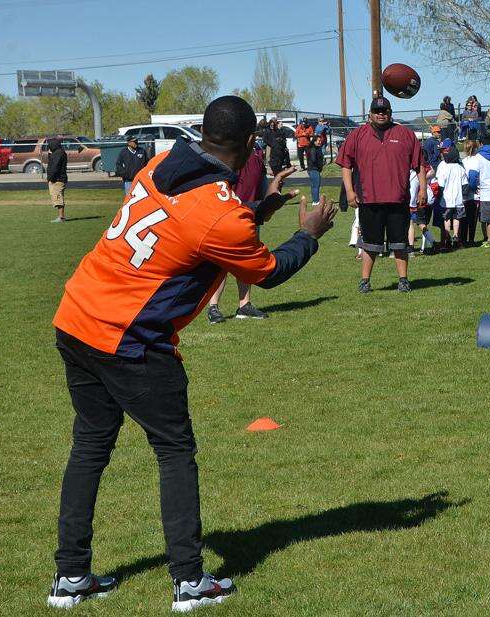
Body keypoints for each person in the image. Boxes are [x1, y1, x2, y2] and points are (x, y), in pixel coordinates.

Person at [47, 95, 337, 612]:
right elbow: (265, 273)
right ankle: (189, 580)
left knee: (90, 448)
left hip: (77, 314)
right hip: (129, 335)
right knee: (174, 450)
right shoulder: (219, 212)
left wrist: (259, 209)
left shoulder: (165, 162)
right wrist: (307, 234)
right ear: (252, 144)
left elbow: (199, 228)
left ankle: (70, 576)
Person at [337, 96, 426, 293]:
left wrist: (423, 188)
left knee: (400, 243)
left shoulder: (405, 134)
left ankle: (403, 280)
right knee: (369, 244)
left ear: (390, 112)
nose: (381, 114)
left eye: (384, 111)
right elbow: (345, 164)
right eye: (377, 111)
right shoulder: (358, 134)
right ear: (370, 114)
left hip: (398, 198)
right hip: (369, 199)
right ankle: (365, 281)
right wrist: (350, 191)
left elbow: (419, 163)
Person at [206, 143, 274, 324]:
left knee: (246, 263)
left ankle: (244, 304)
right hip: (225, 218)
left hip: (249, 217)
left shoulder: (256, 160)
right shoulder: (225, 157)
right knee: (220, 265)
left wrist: (263, 211)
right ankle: (213, 306)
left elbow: (261, 189)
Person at [435, 144, 468, 248]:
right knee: (457, 217)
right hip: (458, 198)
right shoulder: (460, 168)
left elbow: (440, 185)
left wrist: (439, 196)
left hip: (446, 199)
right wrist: (463, 195)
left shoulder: (444, 168)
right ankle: (456, 235)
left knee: (446, 218)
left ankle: (447, 237)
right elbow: (465, 185)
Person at [460, 139, 480, 246]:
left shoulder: (464, 161)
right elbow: (472, 176)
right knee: (472, 220)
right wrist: (472, 188)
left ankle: (463, 239)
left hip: (464, 193)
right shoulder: (477, 160)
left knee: (464, 219)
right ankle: (471, 240)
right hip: (473, 194)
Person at [47, 137, 68, 223]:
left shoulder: (58, 154)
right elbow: (52, 162)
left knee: (58, 198)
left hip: (57, 179)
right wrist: (50, 154)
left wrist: (51, 178)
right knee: (57, 197)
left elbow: (55, 167)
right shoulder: (58, 153)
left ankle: (61, 217)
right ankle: (61, 217)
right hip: (58, 178)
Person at [305, 135, 324, 205]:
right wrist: (319, 166)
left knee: (314, 186)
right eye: (318, 141)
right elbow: (313, 159)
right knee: (316, 185)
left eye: (320, 141)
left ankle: (315, 200)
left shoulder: (316, 148)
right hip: (313, 169)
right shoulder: (313, 148)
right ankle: (316, 201)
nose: (320, 142)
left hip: (312, 169)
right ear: (314, 141)